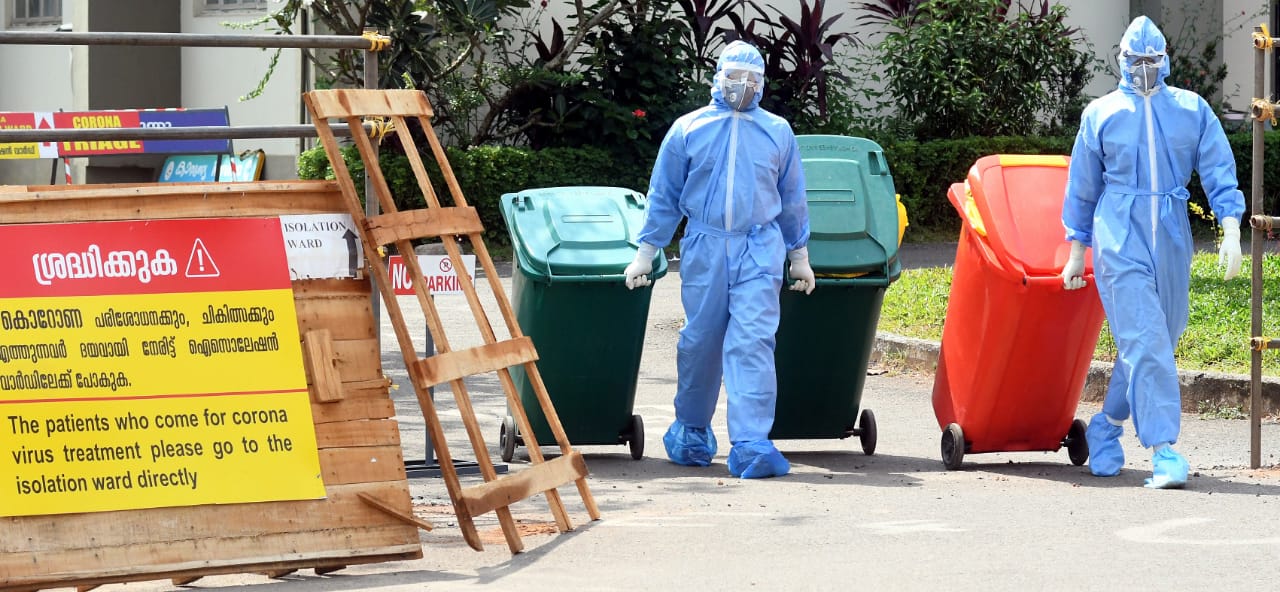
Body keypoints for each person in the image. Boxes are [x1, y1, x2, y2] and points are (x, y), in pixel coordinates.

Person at [1060, 16, 1244, 489]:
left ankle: (1106, 426)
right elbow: (1083, 186)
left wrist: (1230, 227)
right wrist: (1077, 249)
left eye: (1151, 59)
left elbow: (1217, 166)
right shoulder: (1100, 113)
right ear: (1121, 60)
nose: (1144, 67)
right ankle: (1164, 449)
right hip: (1119, 231)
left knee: (1161, 335)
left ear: (1165, 60)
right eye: (1136, 59)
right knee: (1145, 339)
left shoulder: (1191, 109)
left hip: (1172, 230)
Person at [622, 40, 815, 479]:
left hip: (758, 248)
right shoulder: (689, 129)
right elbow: (664, 194)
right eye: (734, 77)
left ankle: (751, 443)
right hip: (705, 247)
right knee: (701, 342)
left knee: (753, 342)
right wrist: (647, 251)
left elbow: (792, 197)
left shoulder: (777, 131)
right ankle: (691, 430)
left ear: (762, 84)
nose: (742, 86)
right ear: (717, 78)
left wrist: (799, 253)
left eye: (751, 79)